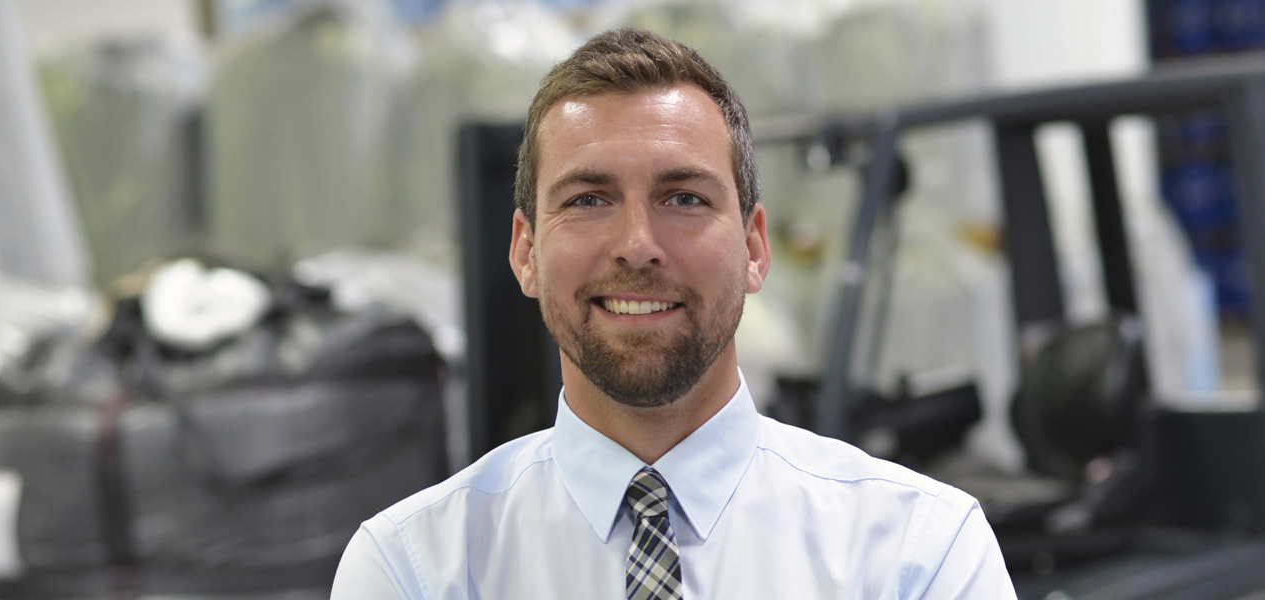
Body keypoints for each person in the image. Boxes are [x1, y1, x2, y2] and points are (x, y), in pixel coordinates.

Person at [329, 28, 1013, 599]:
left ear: (754, 248)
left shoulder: (919, 556)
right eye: (589, 200)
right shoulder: (413, 571)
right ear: (526, 253)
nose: (638, 245)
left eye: (684, 198)